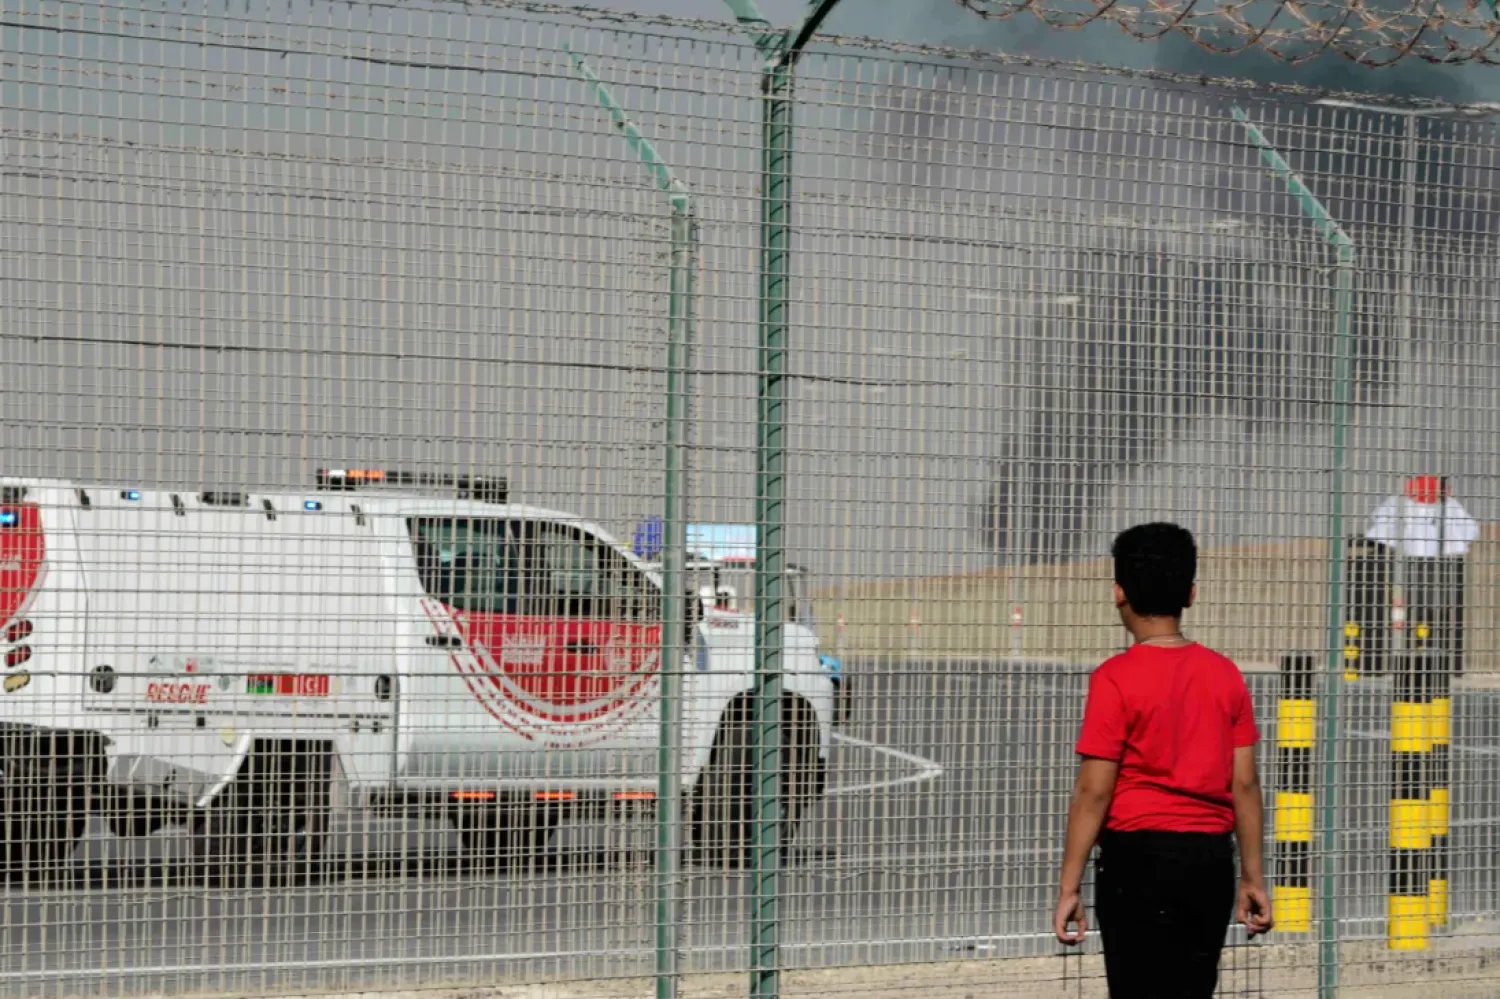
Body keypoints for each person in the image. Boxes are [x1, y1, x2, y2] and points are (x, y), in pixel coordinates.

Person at [1053, 522, 1273, 999]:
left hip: (1136, 860)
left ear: (1118, 593)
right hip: (1208, 860)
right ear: (1191, 593)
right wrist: (1253, 875)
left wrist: (1069, 884)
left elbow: (1094, 791)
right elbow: (1245, 786)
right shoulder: (1225, 675)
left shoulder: (1114, 679)